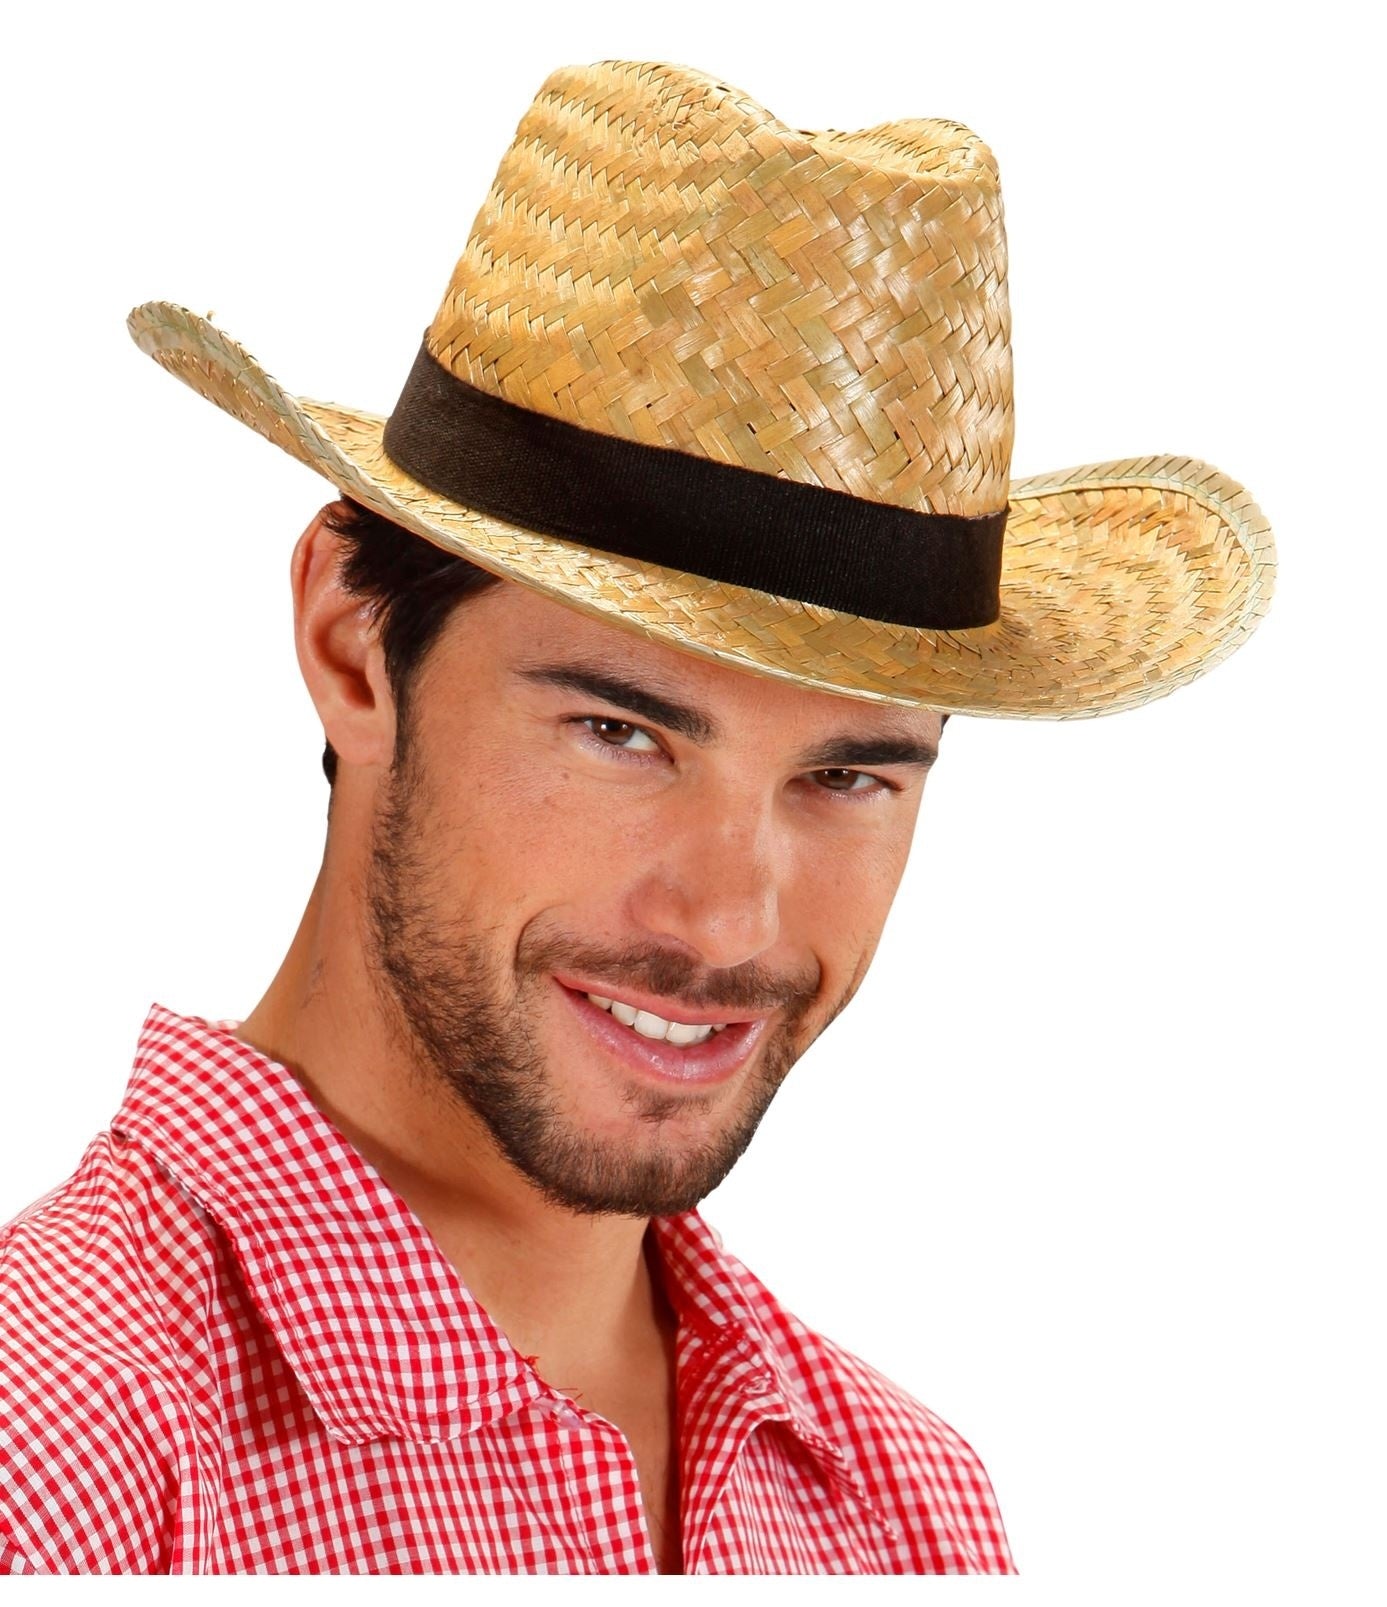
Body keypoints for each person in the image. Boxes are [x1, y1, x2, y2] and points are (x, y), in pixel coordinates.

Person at [0, 57, 1275, 1575]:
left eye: (846, 777)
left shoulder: (902, 1512)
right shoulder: (57, 1453)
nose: (728, 921)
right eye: (622, 733)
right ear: (353, 647)